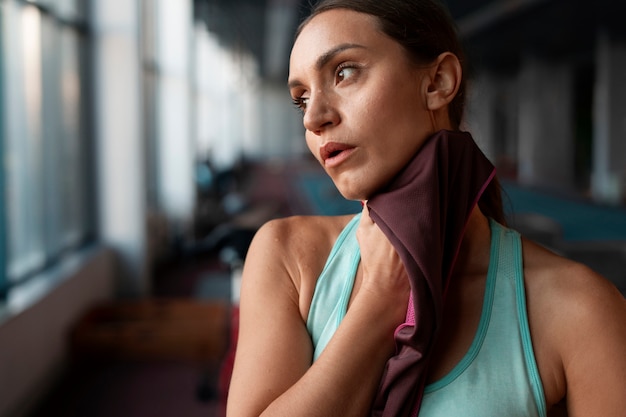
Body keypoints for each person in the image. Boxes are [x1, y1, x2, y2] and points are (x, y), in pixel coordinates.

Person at [226, 0, 626, 416]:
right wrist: (381, 297)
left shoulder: (581, 309)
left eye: (344, 72)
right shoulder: (287, 257)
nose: (313, 118)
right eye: (301, 98)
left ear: (438, 82)